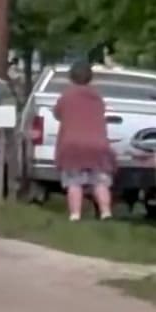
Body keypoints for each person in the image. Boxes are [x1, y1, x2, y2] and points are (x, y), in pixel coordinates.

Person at [54, 59, 114, 221]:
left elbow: (57, 113)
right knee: (100, 181)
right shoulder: (97, 97)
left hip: (72, 144)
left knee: (74, 182)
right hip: (97, 145)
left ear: (71, 77)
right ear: (90, 78)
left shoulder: (67, 96)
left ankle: (75, 214)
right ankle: (106, 212)